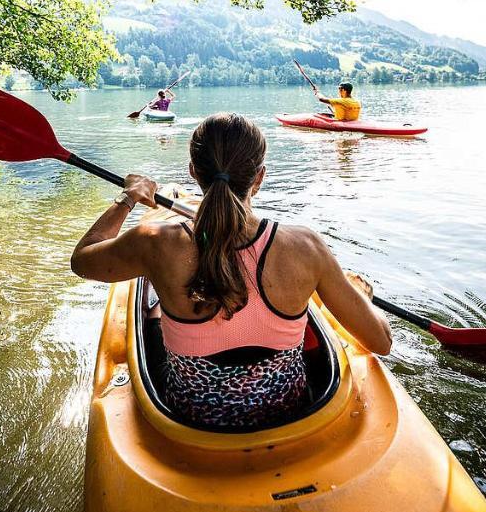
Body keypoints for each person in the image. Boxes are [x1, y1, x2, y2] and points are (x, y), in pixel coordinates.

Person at [70, 113, 392, 429]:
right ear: (260, 177)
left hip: (192, 422)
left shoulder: (156, 243)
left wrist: (127, 199)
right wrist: (361, 298)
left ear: (194, 172)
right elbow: (382, 342)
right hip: (291, 416)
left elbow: (83, 261)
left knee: (154, 314)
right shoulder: (306, 247)